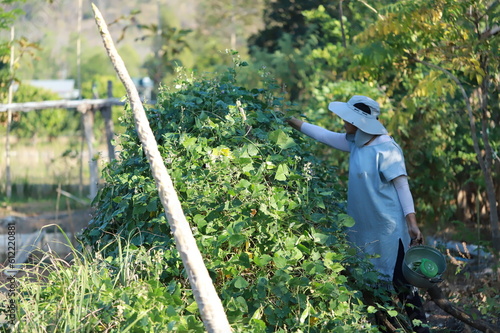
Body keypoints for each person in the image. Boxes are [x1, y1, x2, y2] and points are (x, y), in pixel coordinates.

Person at [287, 95, 430, 333]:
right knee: (373, 287)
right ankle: (387, 328)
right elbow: (322, 134)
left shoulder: (386, 148)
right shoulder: (355, 142)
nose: (343, 122)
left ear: (361, 122)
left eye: (348, 119)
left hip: (388, 231)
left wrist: (412, 224)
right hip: (364, 230)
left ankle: (421, 330)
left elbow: (402, 187)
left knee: (402, 284)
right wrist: (290, 120)